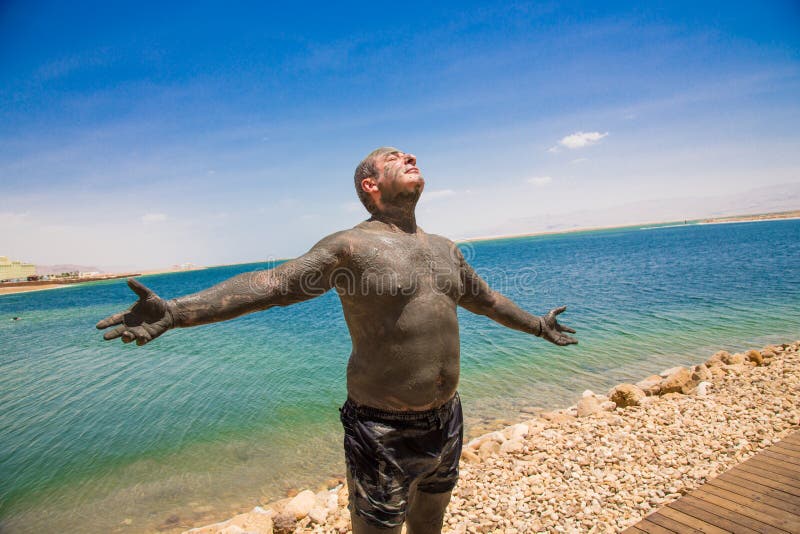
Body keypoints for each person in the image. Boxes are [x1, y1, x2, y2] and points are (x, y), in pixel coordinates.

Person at [96, 147, 577, 533]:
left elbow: (487, 301)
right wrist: (177, 312)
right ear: (371, 185)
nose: (410, 158)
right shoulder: (349, 247)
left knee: (430, 522)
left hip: (447, 416)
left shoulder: (445, 249)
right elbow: (272, 287)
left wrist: (537, 325)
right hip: (380, 427)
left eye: (410, 156)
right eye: (394, 159)